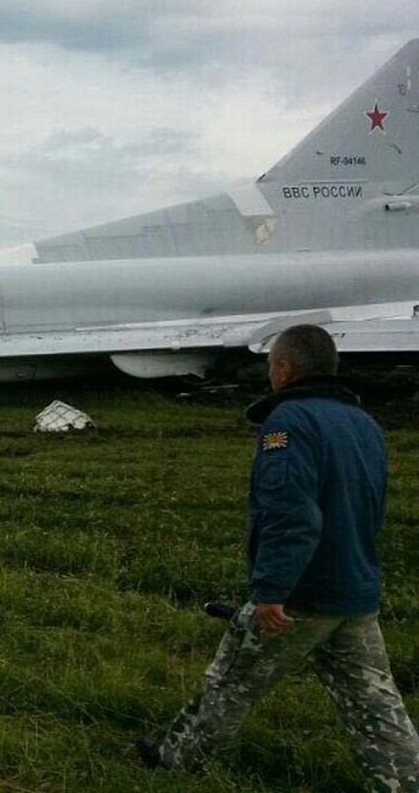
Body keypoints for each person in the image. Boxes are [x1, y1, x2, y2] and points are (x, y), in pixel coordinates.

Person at [138, 324, 419, 789]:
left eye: (271, 366)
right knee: (374, 702)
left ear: (284, 369)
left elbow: (290, 511)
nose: (270, 375)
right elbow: (373, 505)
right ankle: (405, 781)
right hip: (355, 591)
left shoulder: (288, 422)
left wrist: (272, 590)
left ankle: (177, 760)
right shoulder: (364, 424)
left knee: (231, 681)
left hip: (300, 596)